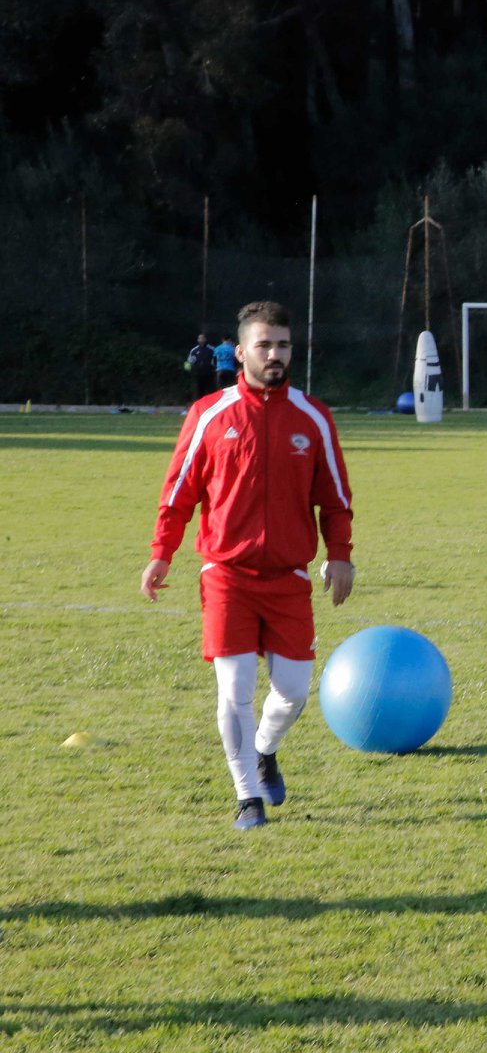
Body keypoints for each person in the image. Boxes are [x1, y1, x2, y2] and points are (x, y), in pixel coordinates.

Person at [141, 301, 355, 830]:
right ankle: (247, 799)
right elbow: (179, 492)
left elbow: (335, 498)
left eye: (283, 344)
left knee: (293, 693)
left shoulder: (314, 416)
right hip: (226, 576)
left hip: (290, 580)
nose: (275, 354)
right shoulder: (209, 414)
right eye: (264, 344)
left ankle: (265, 748)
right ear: (240, 352)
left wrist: (341, 556)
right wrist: (162, 553)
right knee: (233, 692)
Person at [185, 332, 217, 400]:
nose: (201, 339)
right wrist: (188, 371)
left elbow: (216, 361)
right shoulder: (194, 350)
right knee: (198, 393)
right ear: (198, 340)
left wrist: (214, 369)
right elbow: (188, 362)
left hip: (209, 375)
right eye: (199, 338)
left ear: (206, 339)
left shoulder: (212, 349)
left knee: (210, 393)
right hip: (198, 375)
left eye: (203, 338)